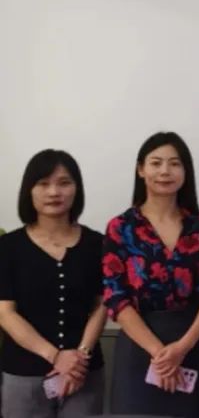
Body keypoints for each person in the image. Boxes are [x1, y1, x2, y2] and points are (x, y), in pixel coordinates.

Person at [103, 132, 199, 417]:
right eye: (156, 163)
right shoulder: (121, 227)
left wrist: (182, 348)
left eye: (174, 163)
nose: (165, 171)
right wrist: (160, 353)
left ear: (185, 171)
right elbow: (115, 296)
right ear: (141, 170)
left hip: (193, 343)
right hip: (139, 347)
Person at [0, 149, 107, 417]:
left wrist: (80, 356)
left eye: (64, 183)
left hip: (83, 373)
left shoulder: (97, 244)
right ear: (29, 190)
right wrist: (56, 356)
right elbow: (5, 313)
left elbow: (103, 304)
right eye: (43, 183)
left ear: (77, 189)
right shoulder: (8, 247)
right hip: (23, 375)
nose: (53, 192)